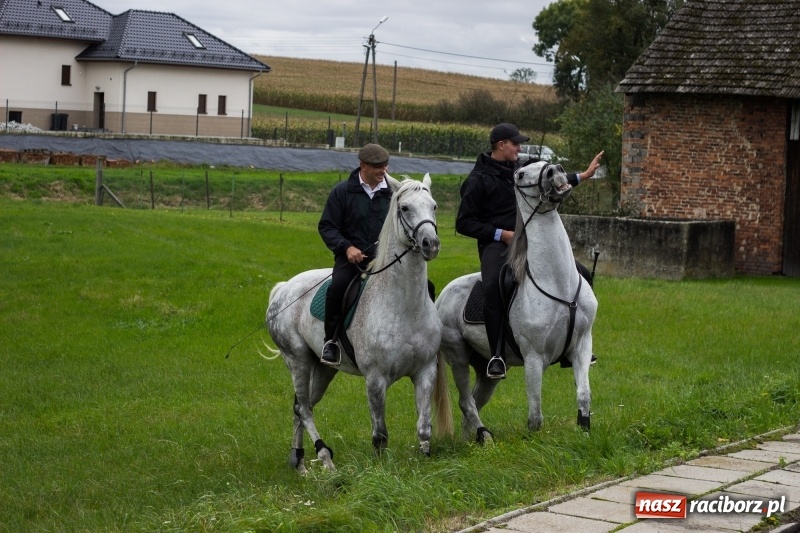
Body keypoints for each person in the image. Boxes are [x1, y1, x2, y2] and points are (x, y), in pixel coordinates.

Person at [456, 123, 603, 379]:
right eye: (516, 143)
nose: (520, 147)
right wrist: (501, 234)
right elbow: (464, 223)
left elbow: (552, 181)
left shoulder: (522, 169)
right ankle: (497, 355)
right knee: (493, 284)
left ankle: (575, 346)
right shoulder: (477, 180)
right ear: (501, 145)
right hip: (497, 244)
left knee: (581, 273)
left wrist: (583, 175)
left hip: (532, 240)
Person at [317, 143, 394, 365]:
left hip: (387, 260)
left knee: (425, 286)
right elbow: (327, 227)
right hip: (351, 259)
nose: (383, 171)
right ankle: (330, 341)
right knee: (338, 288)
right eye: (377, 166)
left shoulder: (394, 194)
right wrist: (346, 247)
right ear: (362, 165)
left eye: (385, 166)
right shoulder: (342, 192)